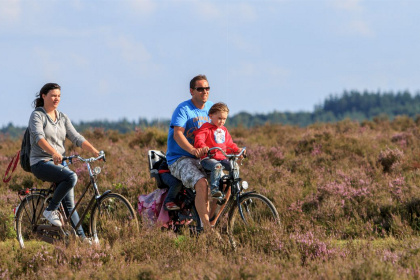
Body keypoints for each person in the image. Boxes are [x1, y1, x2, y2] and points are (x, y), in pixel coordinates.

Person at [28, 83, 100, 242]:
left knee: (70, 205)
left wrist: (94, 151)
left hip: (59, 163)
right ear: (44, 96)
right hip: (40, 162)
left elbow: (76, 138)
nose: (56, 99)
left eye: (59, 96)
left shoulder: (62, 117)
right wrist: (53, 152)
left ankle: (81, 239)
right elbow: (39, 138)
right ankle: (50, 210)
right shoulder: (37, 116)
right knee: (71, 177)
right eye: (53, 95)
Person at [166, 74, 214, 230]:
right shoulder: (183, 109)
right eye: (200, 89)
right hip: (180, 158)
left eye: (207, 88)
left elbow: (219, 133)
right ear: (191, 91)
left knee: (225, 182)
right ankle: (207, 229)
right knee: (202, 183)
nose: (204, 92)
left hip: (203, 157)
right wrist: (193, 150)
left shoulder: (211, 109)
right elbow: (177, 133)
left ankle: (211, 222)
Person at [193, 102, 244, 198]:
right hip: (208, 159)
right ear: (211, 115)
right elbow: (199, 139)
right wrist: (203, 147)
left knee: (234, 166)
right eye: (219, 118)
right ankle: (214, 189)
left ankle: (235, 186)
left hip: (222, 158)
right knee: (217, 166)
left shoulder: (224, 130)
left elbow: (229, 144)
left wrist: (237, 150)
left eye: (224, 119)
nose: (222, 121)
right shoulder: (206, 128)